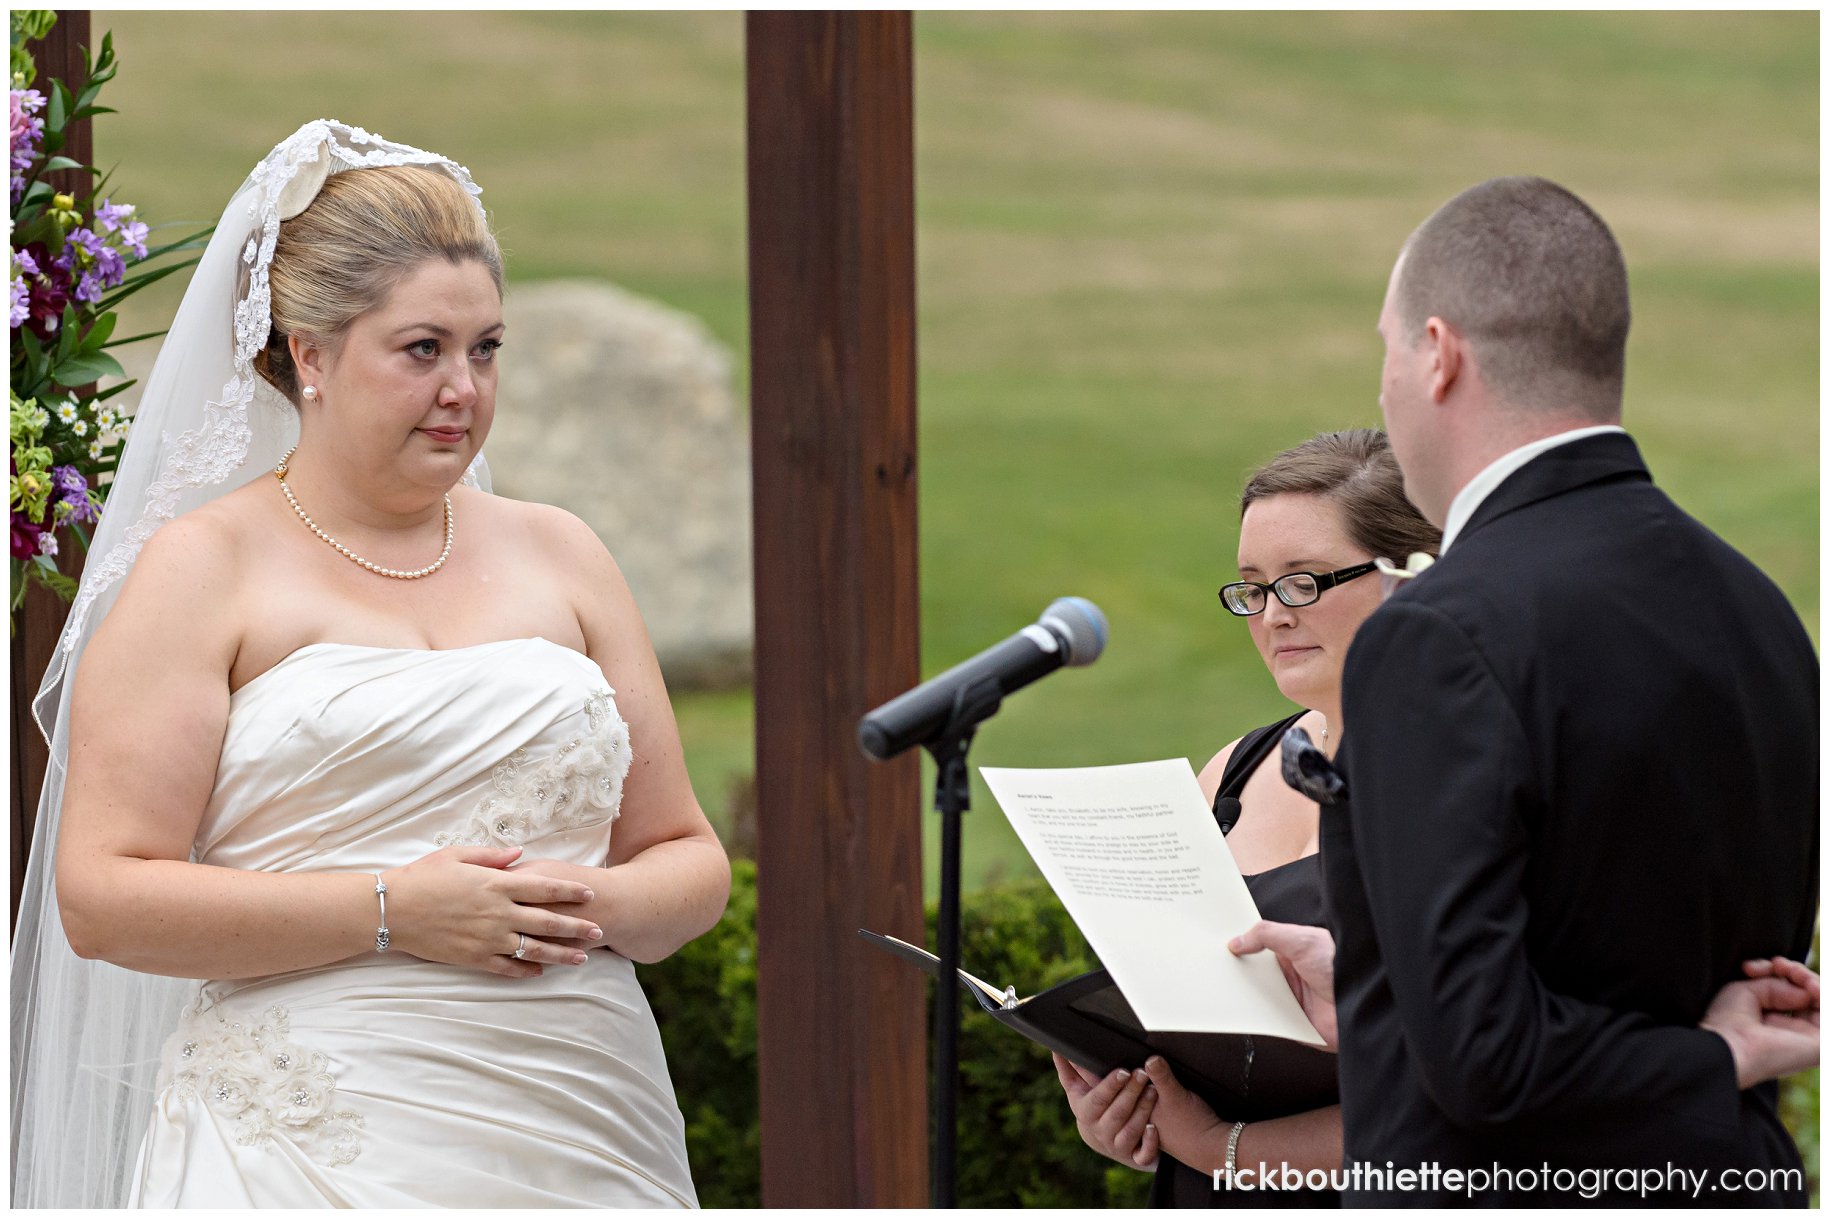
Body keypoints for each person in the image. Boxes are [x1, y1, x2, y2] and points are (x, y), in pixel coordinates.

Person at [10, 121, 730, 1207]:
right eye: (422, 349)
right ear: (309, 354)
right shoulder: (203, 569)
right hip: (314, 1135)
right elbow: (105, 896)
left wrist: (591, 899)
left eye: (487, 349)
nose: (464, 389)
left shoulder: (564, 551)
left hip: (581, 1117)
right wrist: (393, 909)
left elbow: (687, 858)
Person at [1295, 176, 1816, 1205]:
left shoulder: (1435, 634)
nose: (1388, 388)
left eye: (1387, 350)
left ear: (1438, 356)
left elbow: (1486, 1057)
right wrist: (1370, 967)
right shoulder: (1757, 608)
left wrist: (1710, 1057)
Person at [1053, 429, 1440, 1207]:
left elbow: (1456, 1097)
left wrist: (1217, 1146)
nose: (1271, 616)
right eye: (1252, 587)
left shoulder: (1463, 783)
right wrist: (1129, 1108)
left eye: (1302, 582)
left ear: (1409, 578)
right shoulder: (1232, 770)